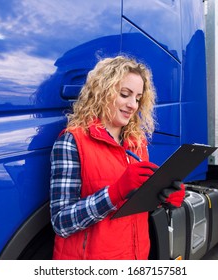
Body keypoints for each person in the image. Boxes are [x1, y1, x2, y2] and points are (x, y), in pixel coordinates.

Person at [50, 55, 185, 260]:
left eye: (138, 98)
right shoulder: (72, 141)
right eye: (125, 94)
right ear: (102, 91)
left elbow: (137, 205)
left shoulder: (137, 143)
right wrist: (115, 193)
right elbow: (62, 222)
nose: (133, 105)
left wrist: (163, 197)